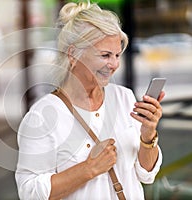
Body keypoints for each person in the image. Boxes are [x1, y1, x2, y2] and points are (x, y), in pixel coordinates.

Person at [15, 2, 165, 200]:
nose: (114, 65)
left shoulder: (124, 98)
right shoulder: (42, 115)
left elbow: (146, 174)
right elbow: (29, 192)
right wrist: (89, 168)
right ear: (73, 54)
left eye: (117, 55)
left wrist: (148, 136)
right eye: (105, 55)